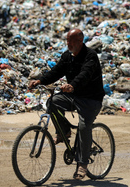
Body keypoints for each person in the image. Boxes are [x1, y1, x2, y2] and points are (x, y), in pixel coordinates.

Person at [28, 28, 105, 180]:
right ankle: (64, 132)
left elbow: (85, 74)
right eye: (67, 41)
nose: (68, 44)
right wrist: (40, 80)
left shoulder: (90, 56)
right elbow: (56, 71)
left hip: (91, 100)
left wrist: (72, 85)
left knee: (84, 126)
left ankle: (82, 164)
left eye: (71, 41)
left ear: (80, 41)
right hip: (74, 96)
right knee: (53, 102)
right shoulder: (67, 56)